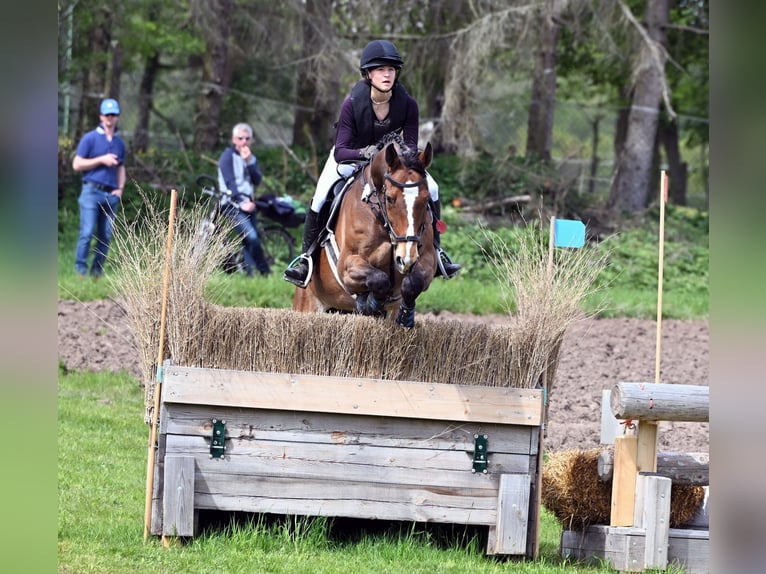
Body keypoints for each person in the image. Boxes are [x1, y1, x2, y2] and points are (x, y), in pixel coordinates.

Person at [284, 39, 461, 288]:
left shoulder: (408, 104)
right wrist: (368, 153)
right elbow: (341, 151)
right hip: (352, 157)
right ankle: (306, 258)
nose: (386, 74)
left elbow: (410, 145)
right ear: (369, 74)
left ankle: (438, 252)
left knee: (432, 188)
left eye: (390, 69)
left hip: (392, 163)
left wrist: (399, 160)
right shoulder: (352, 104)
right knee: (322, 192)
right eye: (380, 70)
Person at [72, 97, 127, 279]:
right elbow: (77, 164)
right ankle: (80, 272)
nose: (110, 118)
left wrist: (120, 188)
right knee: (87, 233)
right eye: (107, 114)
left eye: (113, 114)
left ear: (117, 117)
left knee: (105, 236)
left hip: (110, 194)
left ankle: (97, 274)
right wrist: (101, 160)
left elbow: (121, 168)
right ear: (101, 116)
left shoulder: (119, 143)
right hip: (91, 191)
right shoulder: (90, 138)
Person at [217, 122, 271, 276]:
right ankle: (263, 270)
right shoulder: (227, 157)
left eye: (247, 139)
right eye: (240, 138)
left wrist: (249, 163)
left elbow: (257, 180)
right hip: (231, 205)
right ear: (234, 139)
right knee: (252, 237)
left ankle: (252, 275)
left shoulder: (250, 158)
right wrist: (242, 202)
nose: (244, 142)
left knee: (249, 240)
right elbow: (230, 183)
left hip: (249, 204)